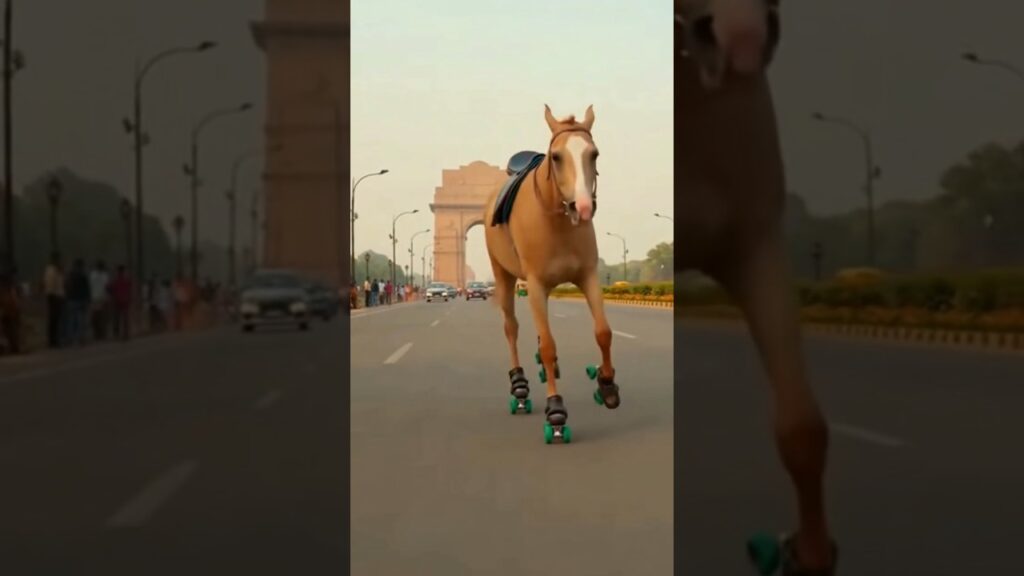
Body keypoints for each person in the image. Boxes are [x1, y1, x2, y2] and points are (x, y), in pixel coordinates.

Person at [64, 258, 91, 346]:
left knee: (71, 320)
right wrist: (88, 299)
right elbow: (87, 289)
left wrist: (67, 297)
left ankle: (70, 339)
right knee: (80, 320)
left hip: (71, 299)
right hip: (80, 300)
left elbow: (66, 287)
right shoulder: (83, 276)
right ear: (81, 266)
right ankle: (80, 338)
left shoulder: (70, 275)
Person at [43, 252, 65, 348]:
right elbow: (50, 284)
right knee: (54, 319)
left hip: (57, 296)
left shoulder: (57, 270)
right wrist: (53, 296)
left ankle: (55, 340)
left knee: (56, 319)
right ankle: (53, 341)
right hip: (54, 296)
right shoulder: (51, 270)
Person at [90, 260, 110, 341]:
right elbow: (107, 287)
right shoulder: (104, 276)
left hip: (95, 298)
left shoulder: (93, 275)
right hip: (100, 298)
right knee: (101, 317)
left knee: (97, 317)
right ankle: (101, 334)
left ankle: (98, 334)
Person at [110, 266, 133, 340]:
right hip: (125, 301)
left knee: (117, 318)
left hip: (117, 301)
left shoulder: (115, 280)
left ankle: (117, 334)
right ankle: (125, 334)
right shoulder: (126, 280)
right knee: (125, 318)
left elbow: (110, 289)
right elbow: (129, 290)